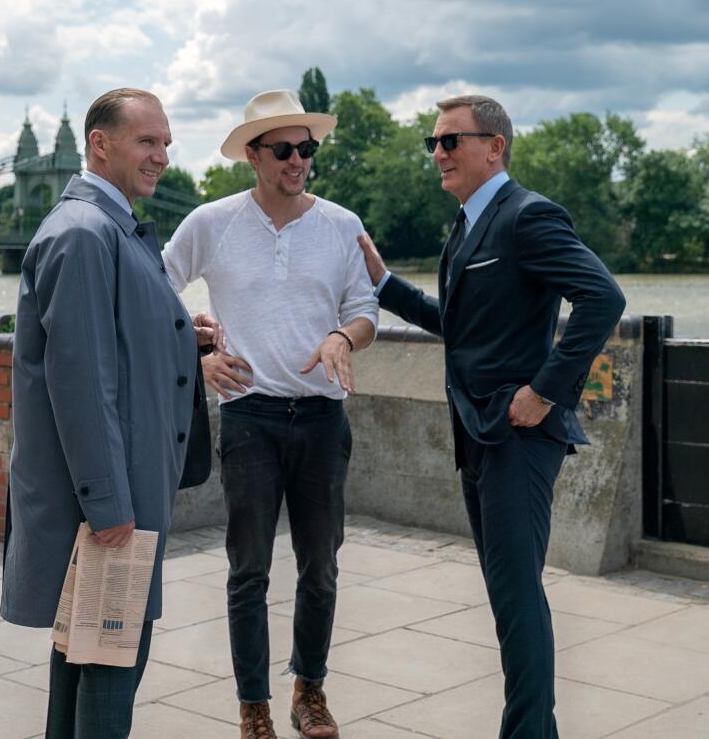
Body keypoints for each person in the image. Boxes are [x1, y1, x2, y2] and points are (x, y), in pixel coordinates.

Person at [358, 95, 625, 739]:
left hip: (518, 438)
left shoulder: (527, 217)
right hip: (476, 436)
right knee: (509, 597)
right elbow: (463, 327)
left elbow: (603, 298)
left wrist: (544, 392)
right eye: (434, 142)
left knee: (515, 597)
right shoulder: (467, 224)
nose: (438, 153)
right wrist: (385, 283)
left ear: (495, 146)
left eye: (451, 140)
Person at [0, 88, 216, 739]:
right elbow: (80, 381)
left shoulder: (107, 227)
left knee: (83, 654)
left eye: (166, 142)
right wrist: (107, 503)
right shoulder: (87, 235)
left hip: (120, 490)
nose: (163, 156)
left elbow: (111, 343)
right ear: (100, 143)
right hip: (110, 502)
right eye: (148, 141)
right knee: (112, 664)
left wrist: (181, 333)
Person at [162, 89, 378, 739]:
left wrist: (345, 337)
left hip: (321, 419)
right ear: (253, 154)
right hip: (249, 417)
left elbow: (366, 310)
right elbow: (149, 288)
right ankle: (252, 705)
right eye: (283, 149)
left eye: (306, 149)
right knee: (249, 567)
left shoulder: (341, 225)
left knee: (321, 566)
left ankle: (308, 691)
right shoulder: (210, 222)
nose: (298, 160)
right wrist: (195, 355)